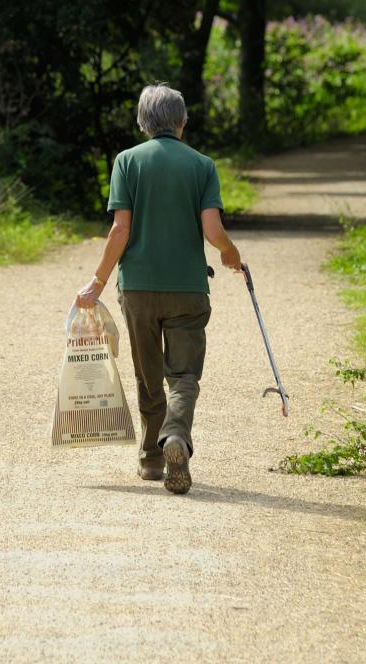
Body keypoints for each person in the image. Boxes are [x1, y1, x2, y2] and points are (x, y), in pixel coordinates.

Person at [75, 83, 242, 495]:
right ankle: (176, 438)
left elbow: (120, 229)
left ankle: (151, 460)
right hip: (188, 289)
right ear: (182, 121)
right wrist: (231, 254)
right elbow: (212, 230)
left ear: (142, 122)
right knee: (183, 376)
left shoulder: (127, 161)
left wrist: (97, 282)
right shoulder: (202, 165)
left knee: (149, 376)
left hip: (138, 290)